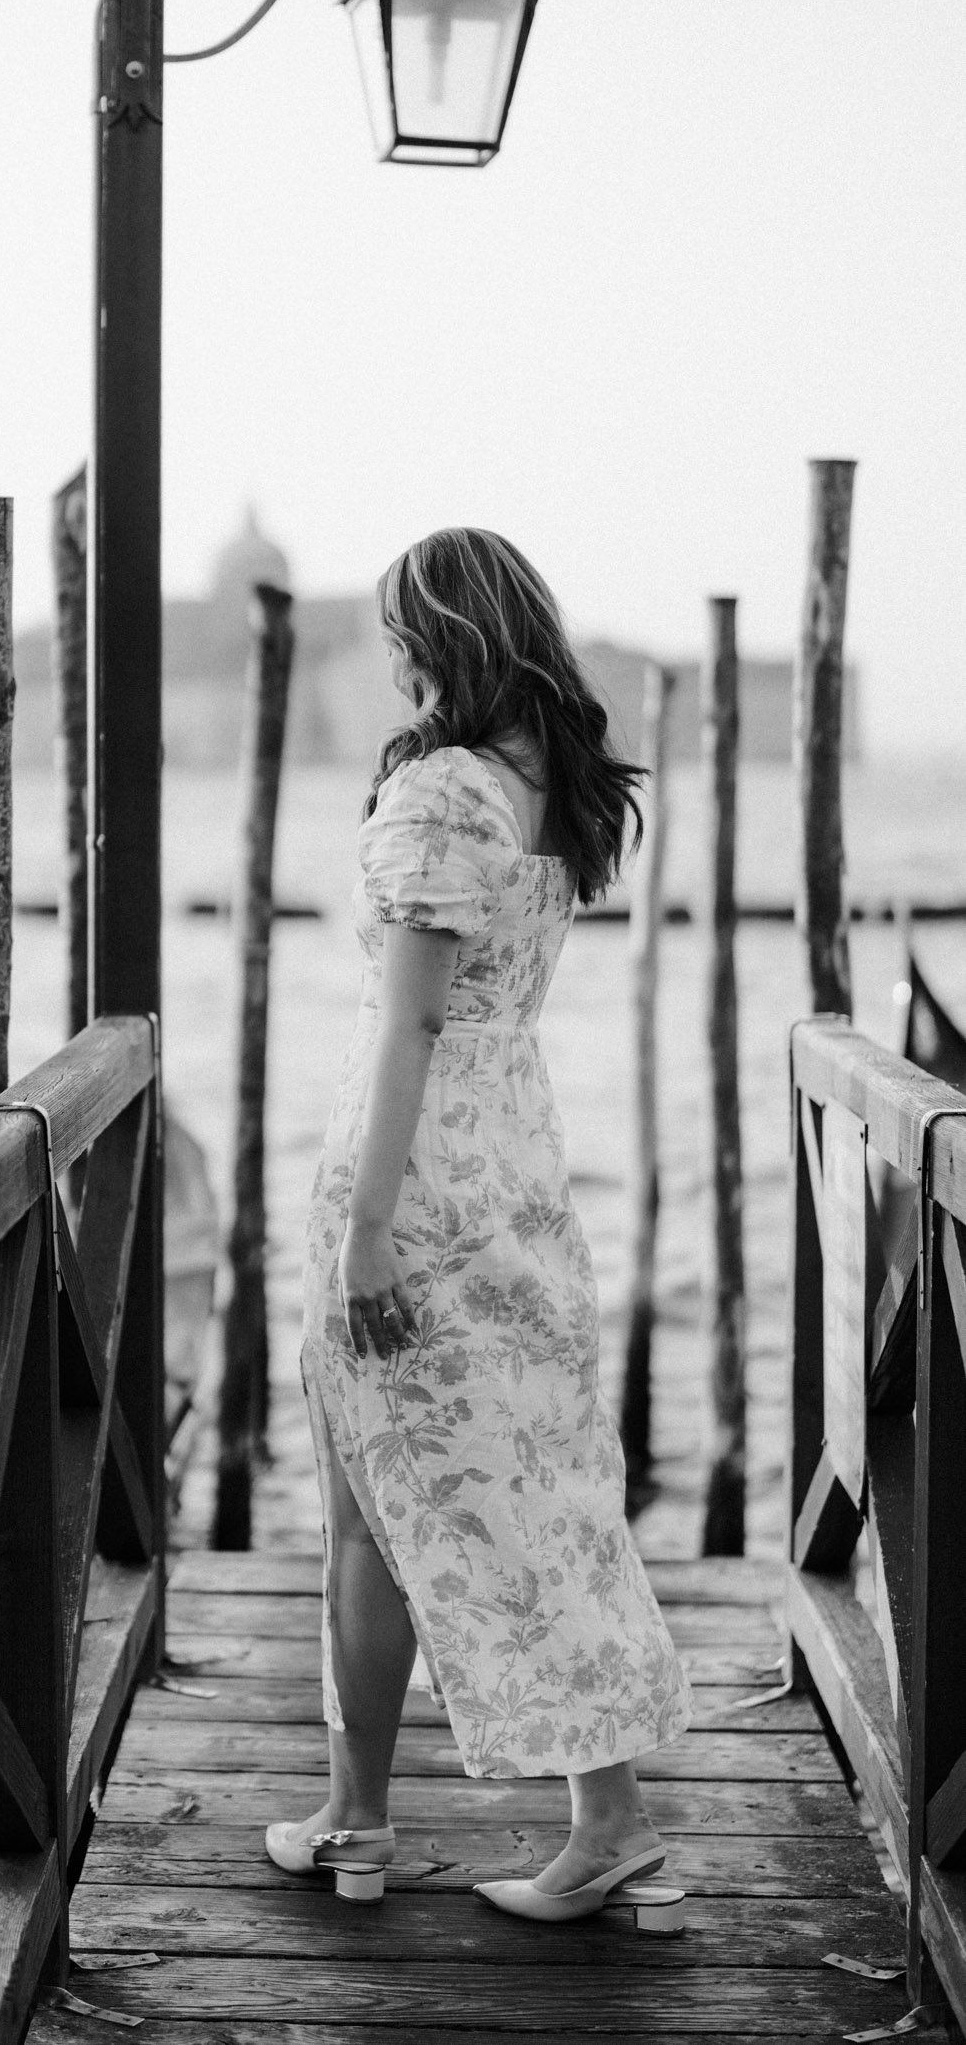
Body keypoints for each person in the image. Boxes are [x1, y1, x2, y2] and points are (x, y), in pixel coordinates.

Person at [266, 527, 692, 1922]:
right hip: (515, 1157)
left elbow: (411, 1018)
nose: (389, 657)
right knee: (544, 1487)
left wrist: (366, 1225)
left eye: (401, 632)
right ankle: (594, 1810)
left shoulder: (446, 794)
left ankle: (359, 1821)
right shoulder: (542, 787)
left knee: (364, 1514)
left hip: (421, 1172)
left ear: (442, 637)